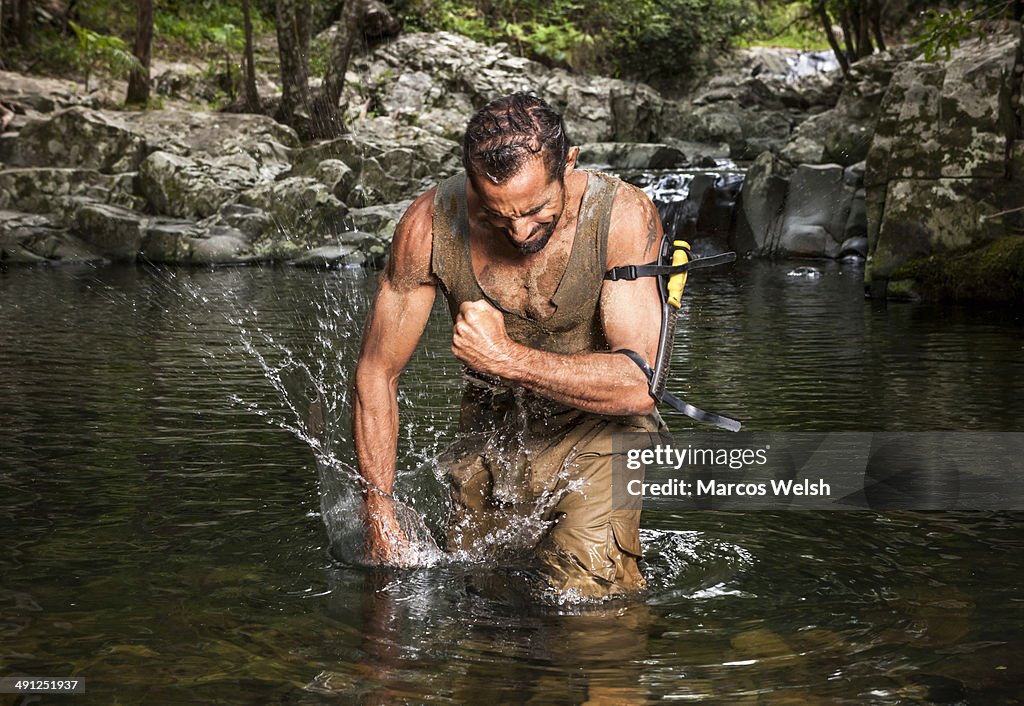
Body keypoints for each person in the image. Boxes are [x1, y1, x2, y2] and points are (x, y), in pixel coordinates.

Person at [352, 92, 669, 600]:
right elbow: (376, 372)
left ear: (568, 162)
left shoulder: (623, 218)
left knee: (592, 608)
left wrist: (506, 358)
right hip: (491, 437)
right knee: (482, 608)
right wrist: (379, 513)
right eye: (498, 215)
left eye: (537, 208)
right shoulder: (427, 225)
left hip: (598, 434)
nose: (520, 231)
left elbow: (639, 386)